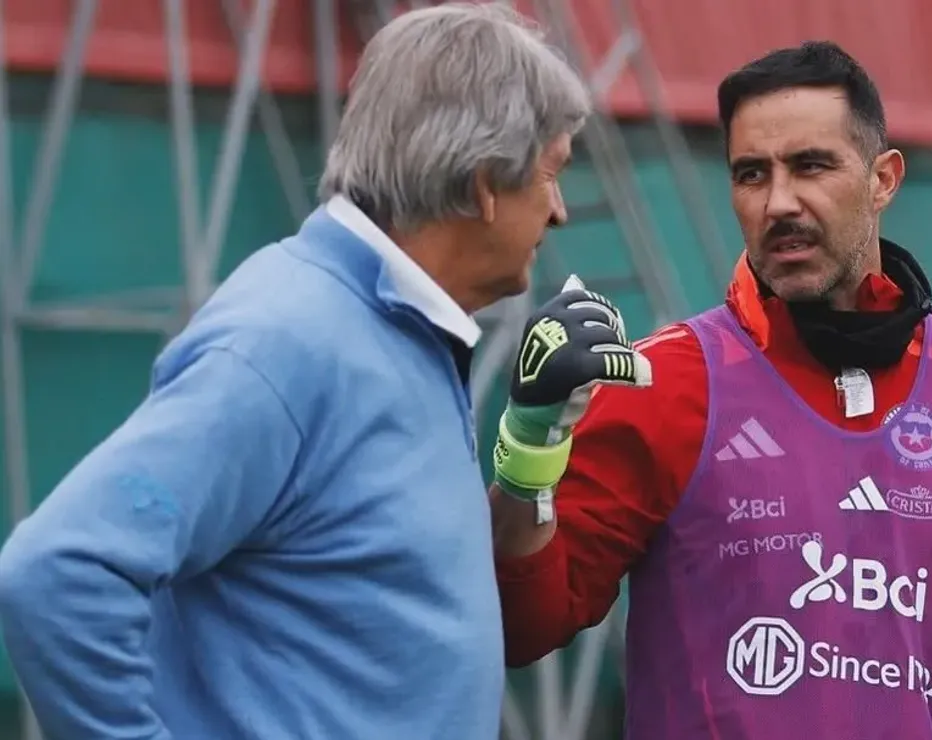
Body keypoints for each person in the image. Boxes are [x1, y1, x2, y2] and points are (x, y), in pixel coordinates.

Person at [489, 42, 932, 740]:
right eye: (751, 174)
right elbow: (520, 627)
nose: (779, 203)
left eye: (811, 166)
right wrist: (526, 446)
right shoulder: (667, 383)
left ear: (884, 178)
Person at [0, 4, 624, 738]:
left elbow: (383, 590)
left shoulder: (389, 327)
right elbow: (56, 577)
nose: (557, 212)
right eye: (552, 173)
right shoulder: (286, 342)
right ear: (486, 182)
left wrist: (529, 451)